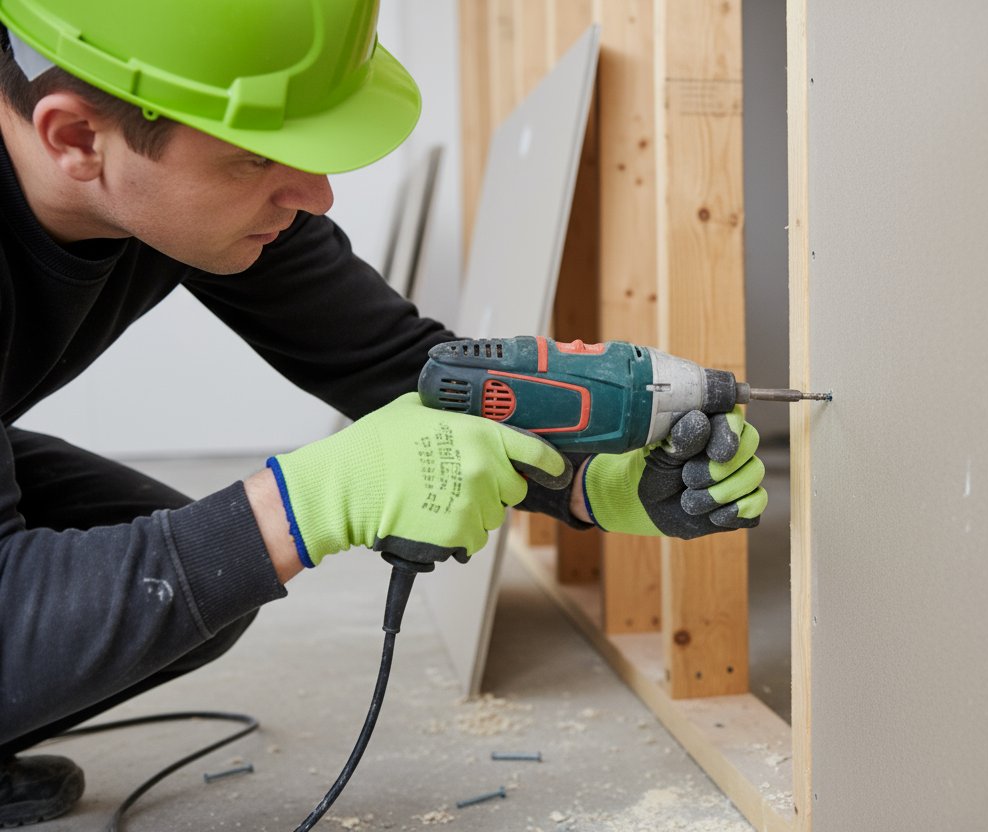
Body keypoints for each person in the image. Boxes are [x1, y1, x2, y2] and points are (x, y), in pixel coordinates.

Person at [0, 1, 768, 826]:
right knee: (169, 578)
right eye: (258, 158)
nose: (318, 195)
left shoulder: (176, 177)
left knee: (192, 581)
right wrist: (309, 502)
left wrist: (586, 484)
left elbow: (393, 366)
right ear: (75, 138)